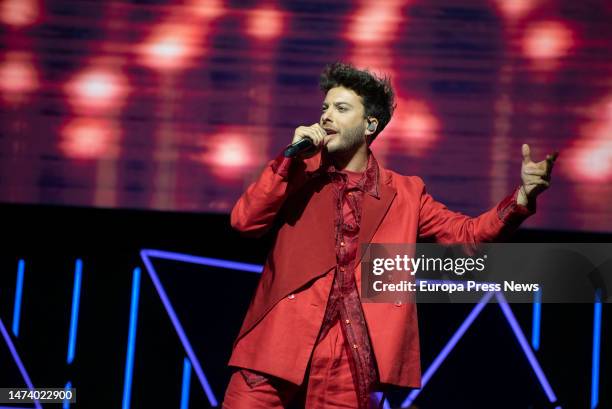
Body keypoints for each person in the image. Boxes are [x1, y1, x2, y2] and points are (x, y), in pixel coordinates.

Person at [222, 62, 557, 409]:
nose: (325, 117)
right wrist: (287, 160)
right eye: (324, 108)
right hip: (279, 340)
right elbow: (244, 222)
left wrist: (521, 199)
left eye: (341, 108)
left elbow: (467, 236)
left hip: (352, 355)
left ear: (370, 124)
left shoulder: (405, 194)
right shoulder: (298, 172)